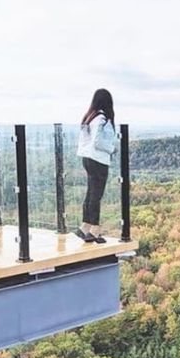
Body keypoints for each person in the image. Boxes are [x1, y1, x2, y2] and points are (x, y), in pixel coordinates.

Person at [75, 88, 118, 244]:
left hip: (87, 158)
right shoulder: (101, 119)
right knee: (96, 195)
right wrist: (112, 149)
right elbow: (98, 142)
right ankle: (95, 230)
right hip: (98, 160)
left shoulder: (90, 117)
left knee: (91, 192)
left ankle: (85, 226)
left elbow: (86, 141)